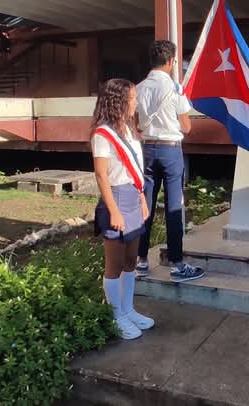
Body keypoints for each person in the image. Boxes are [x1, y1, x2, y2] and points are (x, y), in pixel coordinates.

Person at [135, 40, 205, 283]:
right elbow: (186, 126)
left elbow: (136, 123)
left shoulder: (140, 87)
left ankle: (141, 261)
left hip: (147, 150)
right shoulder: (175, 88)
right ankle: (176, 264)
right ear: (171, 61)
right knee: (174, 207)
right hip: (170, 151)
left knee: (146, 205)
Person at [91, 78, 153, 340]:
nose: (136, 103)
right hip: (115, 199)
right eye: (133, 98)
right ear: (118, 101)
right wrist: (114, 211)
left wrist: (141, 200)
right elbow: (102, 176)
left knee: (131, 260)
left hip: (132, 197)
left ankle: (128, 310)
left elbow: (135, 170)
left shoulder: (128, 130)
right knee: (114, 264)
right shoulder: (102, 134)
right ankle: (116, 316)